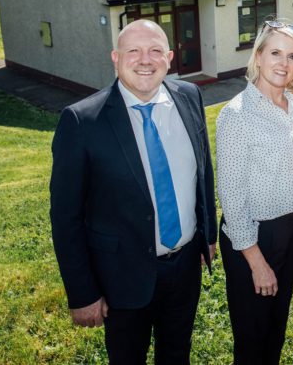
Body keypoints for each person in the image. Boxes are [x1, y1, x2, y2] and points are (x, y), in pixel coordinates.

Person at [49, 19, 217, 365]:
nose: (146, 60)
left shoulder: (189, 96)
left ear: (170, 58)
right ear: (115, 57)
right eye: (134, 51)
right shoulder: (82, 122)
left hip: (185, 266)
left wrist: (207, 235)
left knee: (177, 354)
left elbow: (203, 172)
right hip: (121, 276)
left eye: (156, 50)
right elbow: (66, 217)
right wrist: (83, 293)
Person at [216, 19, 293, 365]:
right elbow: (231, 194)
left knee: (275, 329)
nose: (283, 63)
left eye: (292, 56)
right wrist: (256, 263)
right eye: (275, 53)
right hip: (254, 237)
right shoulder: (237, 115)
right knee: (252, 337)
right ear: (258, 56)